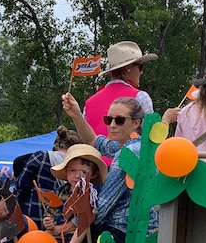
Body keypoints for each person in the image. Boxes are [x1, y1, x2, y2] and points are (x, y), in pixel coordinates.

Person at [61, 94, 157, 241]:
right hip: (149, 231)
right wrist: (77, 115)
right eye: (108, 119)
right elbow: (94, 141)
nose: (112, 125)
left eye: (119, 120)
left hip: (122, 232)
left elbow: (101, 207)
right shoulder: (141, 147)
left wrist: (67, 225)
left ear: (136, 123)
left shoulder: (127, 154)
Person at [83, 41, 158, 138]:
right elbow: (151, 136)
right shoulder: (140, 97)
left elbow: (85, 136)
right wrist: (166, 120)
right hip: (129, 152)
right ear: (128, 68)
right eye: (140, 67)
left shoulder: (89, 103)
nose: (141, 72)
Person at [13, 126, 81, 224]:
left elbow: (20, 188)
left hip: (33, 221)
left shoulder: (41, 157)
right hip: (63, 226)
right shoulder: (80, 166)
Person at [42, 144, 107, 243]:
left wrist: (58, 230)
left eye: (83, 172)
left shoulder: (91, 194)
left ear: (94, 174)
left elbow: (83, 224)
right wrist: (49, 222)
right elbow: (51, 212)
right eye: (72, 170)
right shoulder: (59, 191)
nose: (77, 176)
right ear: (66, 171)